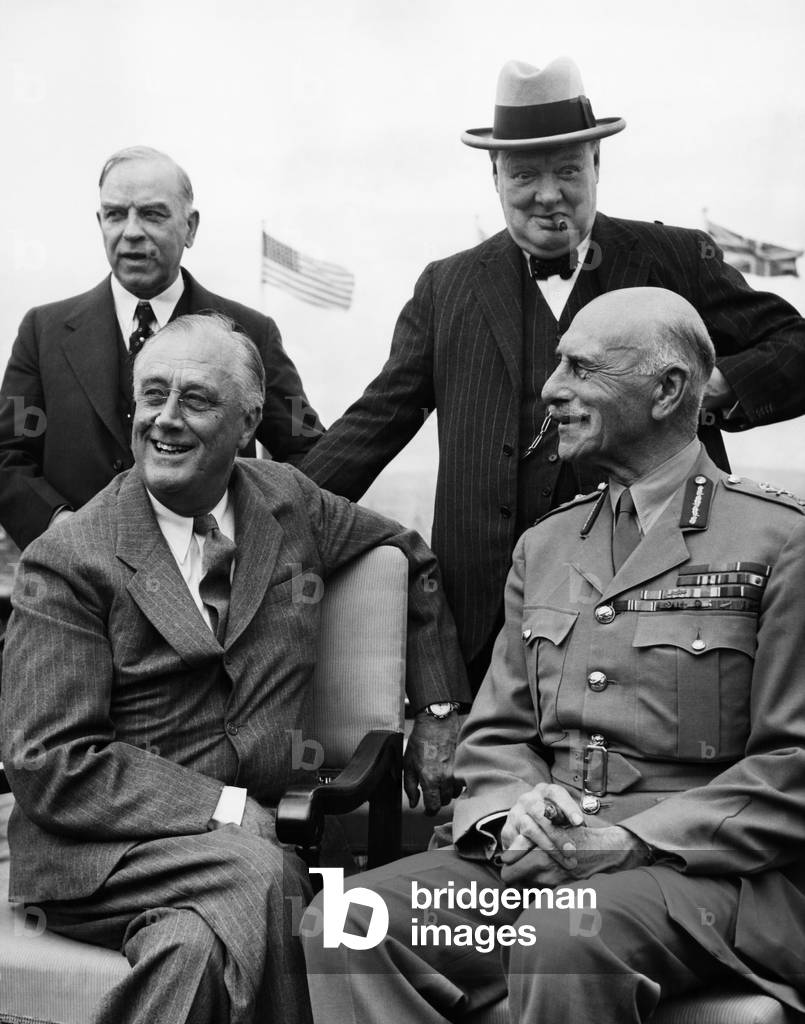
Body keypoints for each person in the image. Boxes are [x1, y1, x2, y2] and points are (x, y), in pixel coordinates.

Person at [302, 287, 805, 1024]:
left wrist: (629, 839)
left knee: (567, 930)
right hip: (538, 856)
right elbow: (499, 734)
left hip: (703, 873)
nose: (550, 388)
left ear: (666, 390)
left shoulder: (779, 541)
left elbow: (791, 765)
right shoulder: (545, 546)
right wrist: (510, 811)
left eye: (579, 367)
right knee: (345, 920)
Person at [0, 312, 469, 1024]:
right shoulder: (69, 559)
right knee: (264, 875)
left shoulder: (286, 501)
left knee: (191, 951)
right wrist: (221, 810)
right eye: (152, 395)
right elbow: (49, 763)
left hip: (225, 863)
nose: (165, 420)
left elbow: (409, 555)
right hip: (102, 856)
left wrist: (437, 711)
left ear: (248, 419)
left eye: (196, 400)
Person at [299, 57, 805, 693]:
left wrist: (708, 393)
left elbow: (794, 346)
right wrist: (261, 511)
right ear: (494, 175)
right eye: (524, 173)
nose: (548, 192)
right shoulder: (447, 286)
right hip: (485, 636)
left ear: (597, 166)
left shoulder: (676, 257)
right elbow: (375, 423)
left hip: (662, 619)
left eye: (568, 169)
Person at [0, 145, 324, 552]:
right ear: (100, 222)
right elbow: (7, 454)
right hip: (79, 584)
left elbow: (308, 448)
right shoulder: (42, 331)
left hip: (212, 584)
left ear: (190, 227)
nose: (131, 231)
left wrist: (253, 531)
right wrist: (66, 531)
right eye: (116, 214)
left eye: (152, 214)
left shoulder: (251, 333)